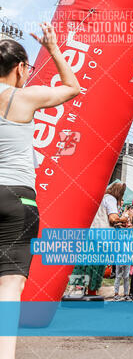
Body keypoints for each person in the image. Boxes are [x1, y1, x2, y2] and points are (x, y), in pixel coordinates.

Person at [0, 23, 81, 359]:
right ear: (20, 68)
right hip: (17, 199)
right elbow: (72, 88)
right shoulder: (25, 97)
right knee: (9, 289)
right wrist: (53, 49)